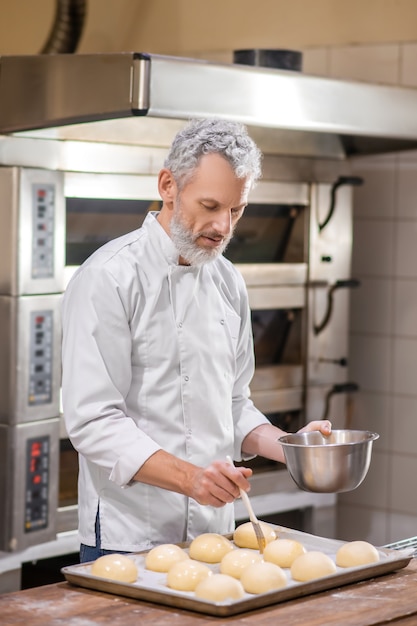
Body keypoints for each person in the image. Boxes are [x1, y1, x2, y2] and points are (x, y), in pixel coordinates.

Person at [61, 118, 331, 562]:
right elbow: (92, 421)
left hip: (215, 533)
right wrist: (191, 479)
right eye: (210, 205)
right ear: (168, 185)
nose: (223, 226)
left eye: (237, 210)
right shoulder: (108, 278)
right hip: (128, 535)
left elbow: (233, 403)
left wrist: (292, 448)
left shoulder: (227, 281)